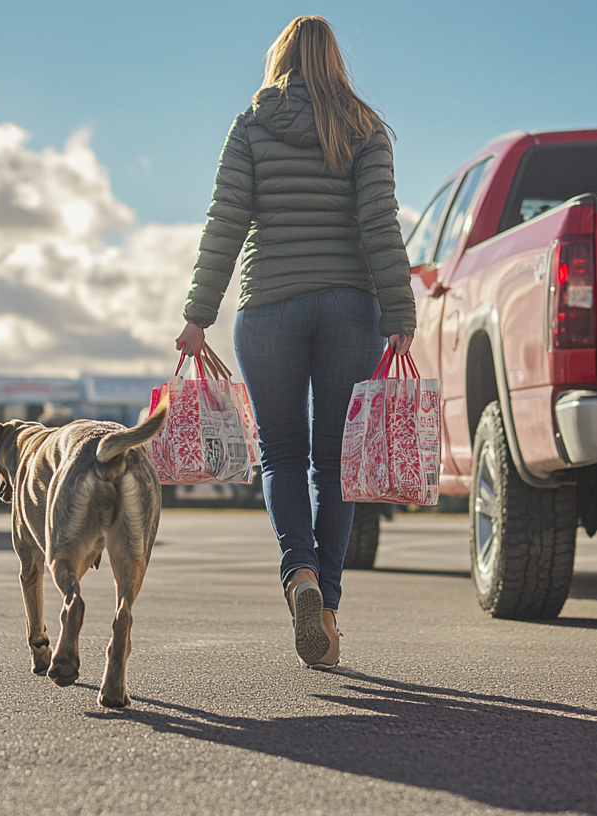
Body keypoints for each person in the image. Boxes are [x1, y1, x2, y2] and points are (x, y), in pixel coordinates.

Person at [176, 15, 415, 669]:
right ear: (335, 61)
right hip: (349, 307)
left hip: (269, 308)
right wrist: (399, 311)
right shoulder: (365, 127)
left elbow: (226, 218)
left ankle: (299, 577)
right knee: (335, 463)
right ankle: (328, 605)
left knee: (281, 454)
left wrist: (198, 315)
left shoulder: (252, 124)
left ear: (279, 60)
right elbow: (378, 224)